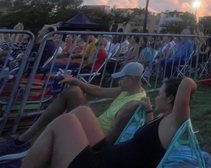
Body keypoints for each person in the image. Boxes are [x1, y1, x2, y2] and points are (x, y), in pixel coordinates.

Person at [21, 77, 197, 168]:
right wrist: (149, 111)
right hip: (108, 154)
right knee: (83, 111)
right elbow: (151, 141)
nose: (156, 96)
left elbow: (187, 83)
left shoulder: (175, 120)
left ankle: (27, 150)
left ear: (171, 98)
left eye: (160, 93)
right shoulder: (164, 120)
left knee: (65, 122)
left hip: (102, 165)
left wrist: (187, 85)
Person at [0, 62, 147, 160]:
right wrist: (77, 81)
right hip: (95, 127)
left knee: (69, 105)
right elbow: (99, 90)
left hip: (97, 139)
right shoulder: (127, 90)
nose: (118, 81)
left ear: (133, 79)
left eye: (122, 78)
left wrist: (93, 152)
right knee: (74, 90)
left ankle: (24, 144)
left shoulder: (134, 102)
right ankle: (24, 141)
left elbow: (116, 135)